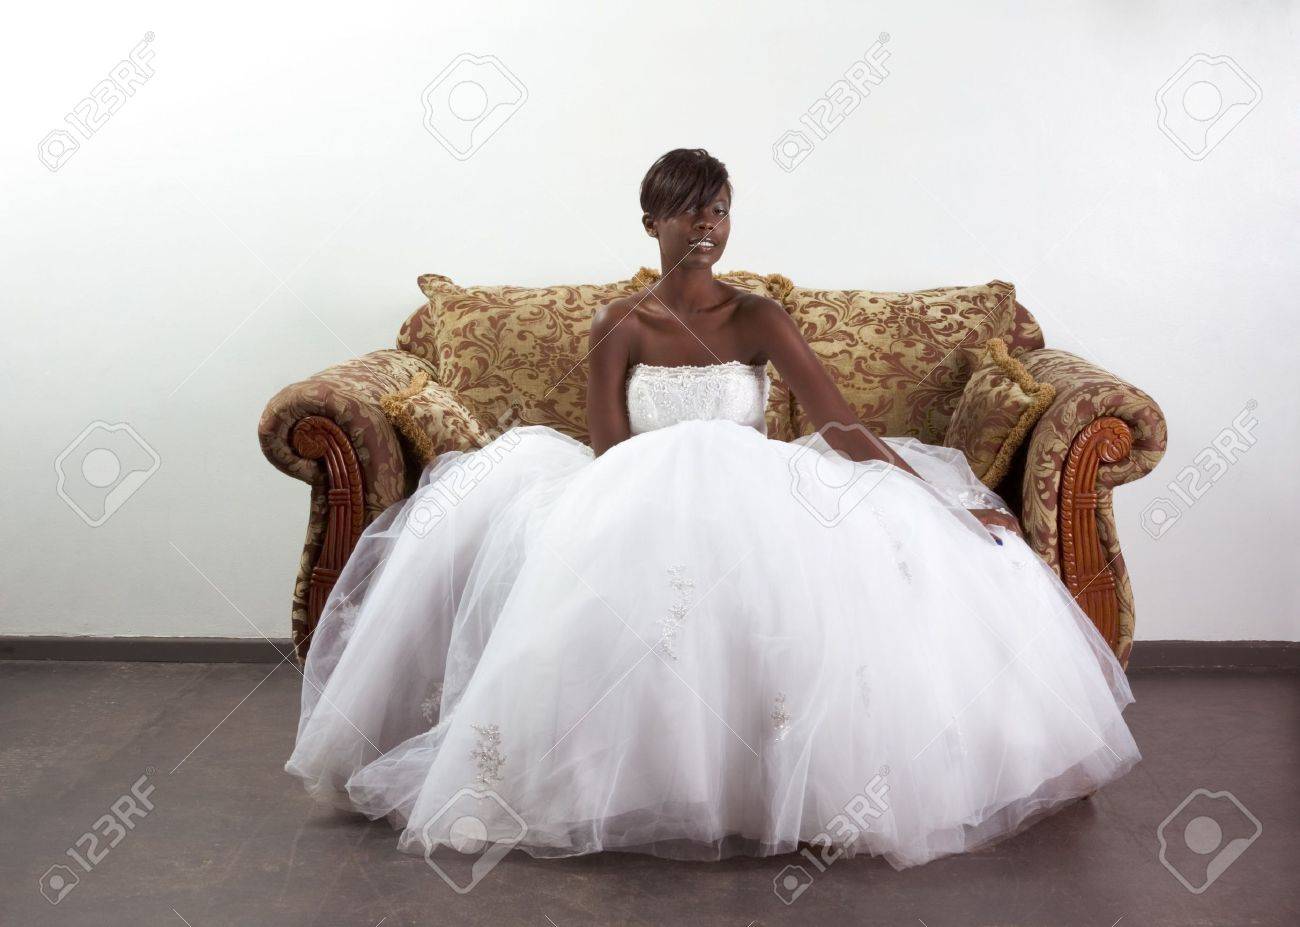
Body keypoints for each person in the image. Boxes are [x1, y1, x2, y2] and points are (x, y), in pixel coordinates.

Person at [285, 148, 1138, 871]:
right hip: (635, 495)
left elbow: (838, 421)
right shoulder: (620, 324)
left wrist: (940, 499)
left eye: (719, 211)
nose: (705, 227)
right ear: (650, 223)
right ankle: (619, 776)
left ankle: (770, 779)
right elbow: (610, 451)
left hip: (755, 496)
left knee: (855, 569)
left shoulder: (757, 316)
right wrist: (640, 509)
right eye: (686, 212)